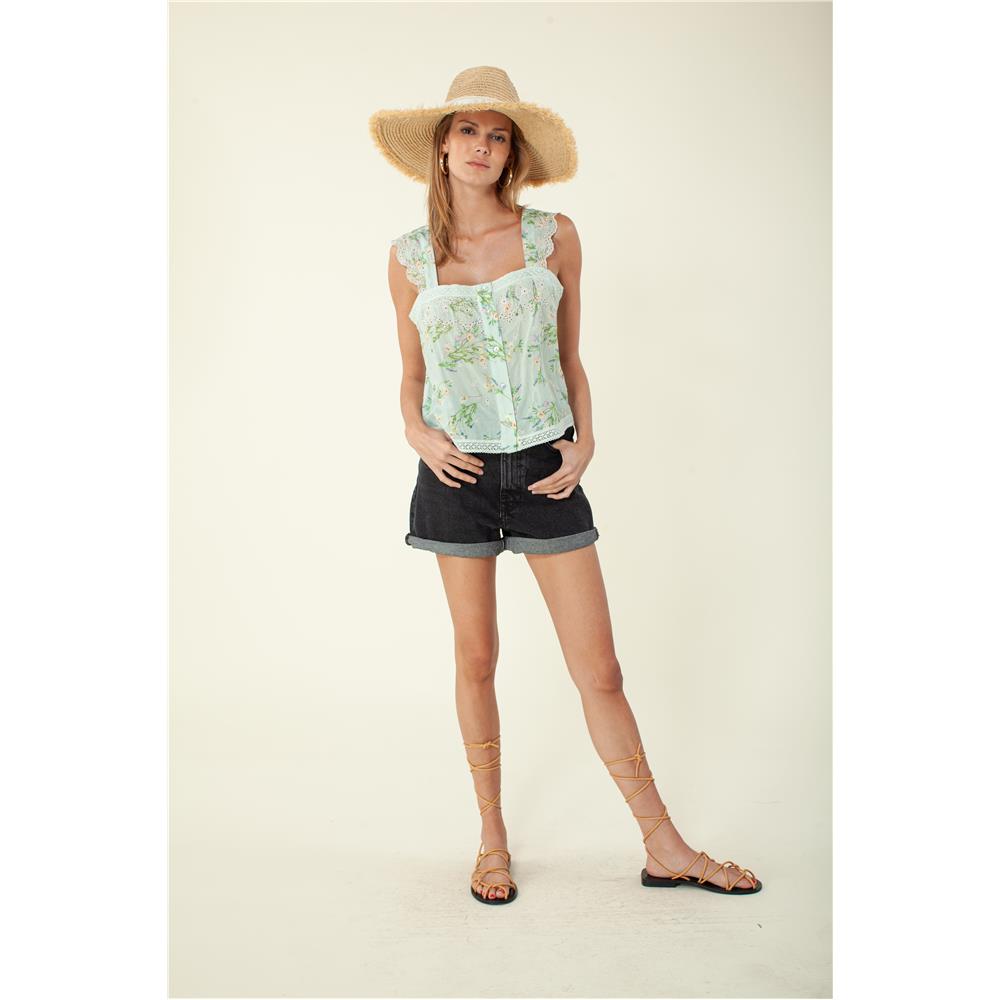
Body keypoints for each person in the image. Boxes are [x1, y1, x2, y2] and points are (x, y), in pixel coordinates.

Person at [370, 66, 761, 904]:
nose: (482, 146)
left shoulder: (553, 237)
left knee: (601, 670)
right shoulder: (409, 258)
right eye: (468, 130)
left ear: (512, 152)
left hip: (545, 470)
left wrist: (586, 441)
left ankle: (664, 844)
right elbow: (411, 375)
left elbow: (570, 355)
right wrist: (415, 431)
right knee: (477, 660)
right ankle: (492, 840)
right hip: (456, 473)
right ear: (442, 146)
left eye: (497, 134)